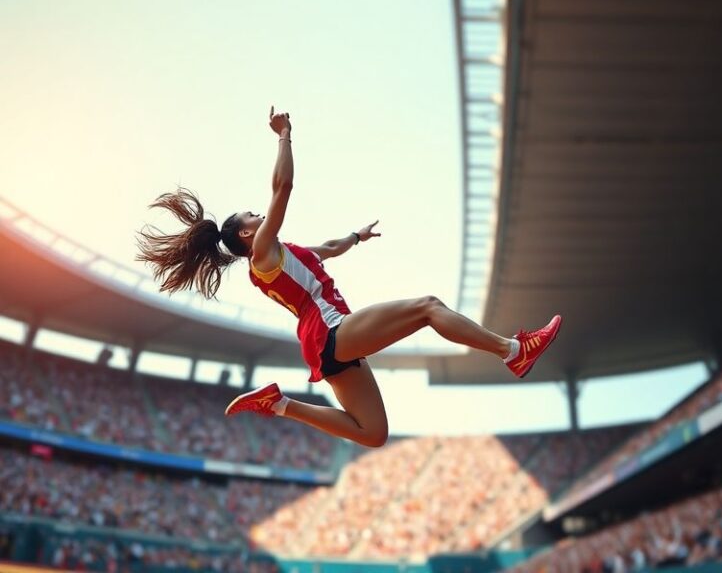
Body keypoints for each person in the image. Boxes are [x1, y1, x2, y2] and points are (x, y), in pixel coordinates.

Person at [136, 106, 561, 447]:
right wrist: (284, 135)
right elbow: (283, 188)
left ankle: (281, 404)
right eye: (251, 215)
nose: (259, 213)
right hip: (332, 331)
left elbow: (330, 249)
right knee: (428, 308)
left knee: (373, 434)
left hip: (326, 346)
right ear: (247, 233)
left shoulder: (285, 255)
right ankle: (511, 351)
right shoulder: (262, 253)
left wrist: (355, 237)